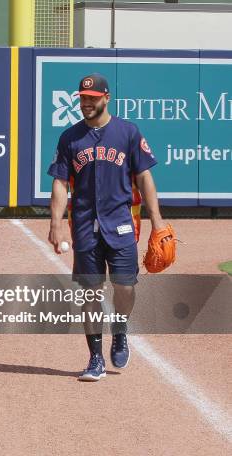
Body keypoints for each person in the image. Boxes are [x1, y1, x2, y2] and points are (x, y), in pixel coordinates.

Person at [47, 74, 166, 381]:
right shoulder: (70, 138)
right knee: (90, 292)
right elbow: (60, 183)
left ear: (106, 98)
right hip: (85, 225)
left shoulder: (127, 132)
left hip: (122, 223)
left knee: (125, 287)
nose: (86, 103)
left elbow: (144, 178)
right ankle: (95, 358)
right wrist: (56, 223)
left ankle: (121, 328)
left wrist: (157, 221)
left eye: (92, 98)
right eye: (83, 98)